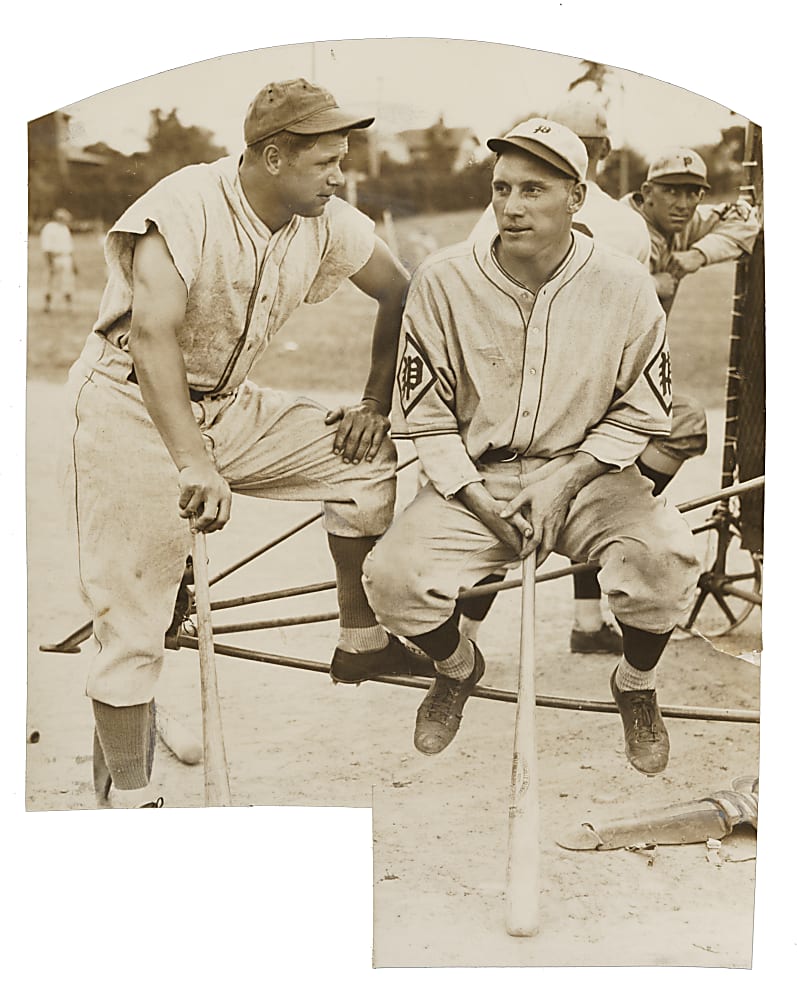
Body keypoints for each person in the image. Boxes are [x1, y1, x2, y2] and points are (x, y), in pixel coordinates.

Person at [60, 78, 433, 808]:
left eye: (343, 156)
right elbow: (152, 338)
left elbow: (400, 290)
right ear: (270, 156)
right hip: (127, 406)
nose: (339, 174)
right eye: (326, 160)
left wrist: (373, 402)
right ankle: (133, 805)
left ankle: (358, 640)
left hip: (228, 407)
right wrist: (192, 460)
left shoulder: (324, 219)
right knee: (132, 623)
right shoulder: (185, 204)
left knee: (363, 464)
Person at [361, 118, 701, 775]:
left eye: (533, 190)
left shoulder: (623, 284)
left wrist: (569, 478)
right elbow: (427, 415)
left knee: (663, 561)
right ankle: (457, 668)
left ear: (576, 198)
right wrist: (476, 499)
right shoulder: (442, 279)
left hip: (591, 478)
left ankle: (634, 685)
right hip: (477, 479)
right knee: (392, 580)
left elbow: (645, 408)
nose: (511, 207)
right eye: (501, 189)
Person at [463, 98, 652, 655]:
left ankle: (475, 637)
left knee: (511, 511)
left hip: (520, 391)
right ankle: (588, 622)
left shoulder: (505, 213)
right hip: (583, 396)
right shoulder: (628, 224)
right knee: (584, 504)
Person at [40, 207, 77, 312]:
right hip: (55, 258)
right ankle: (47, 305)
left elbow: (70, 248)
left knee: (67, 282)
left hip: (66, 258)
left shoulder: (65, 229)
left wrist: (74, 263)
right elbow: (46, 247)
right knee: (50, 282)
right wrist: (50, 263)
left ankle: (68, 306)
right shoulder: (49, 228)